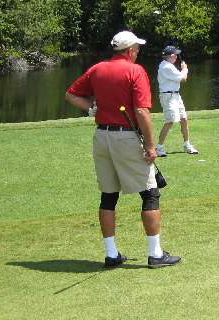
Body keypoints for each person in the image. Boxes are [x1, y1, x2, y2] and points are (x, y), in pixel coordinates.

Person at [64, 31, 181, 269]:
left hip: (102, 137)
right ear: (130, 51)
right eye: (136, 49)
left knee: (108, 195)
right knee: (150, 193)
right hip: (126, 137)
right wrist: (150, 146)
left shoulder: (97, 69)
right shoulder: (135, 71)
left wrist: (92, 109)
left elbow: (70, 95)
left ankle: (111, 254)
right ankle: (155, 254)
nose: (137, 52)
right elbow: (142, 111)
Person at [155, 45, 199, 157]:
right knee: (170, 121)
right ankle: (159, 148)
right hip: (168, 96)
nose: (176, 57)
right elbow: (183, 78)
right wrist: (185, 69)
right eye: (175, 55)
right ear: (171, 56)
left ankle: (187, 145)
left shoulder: (169, 65)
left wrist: (182, 71)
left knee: (183, 119)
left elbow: (179, 77)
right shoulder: (166, 67)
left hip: (175, 95)